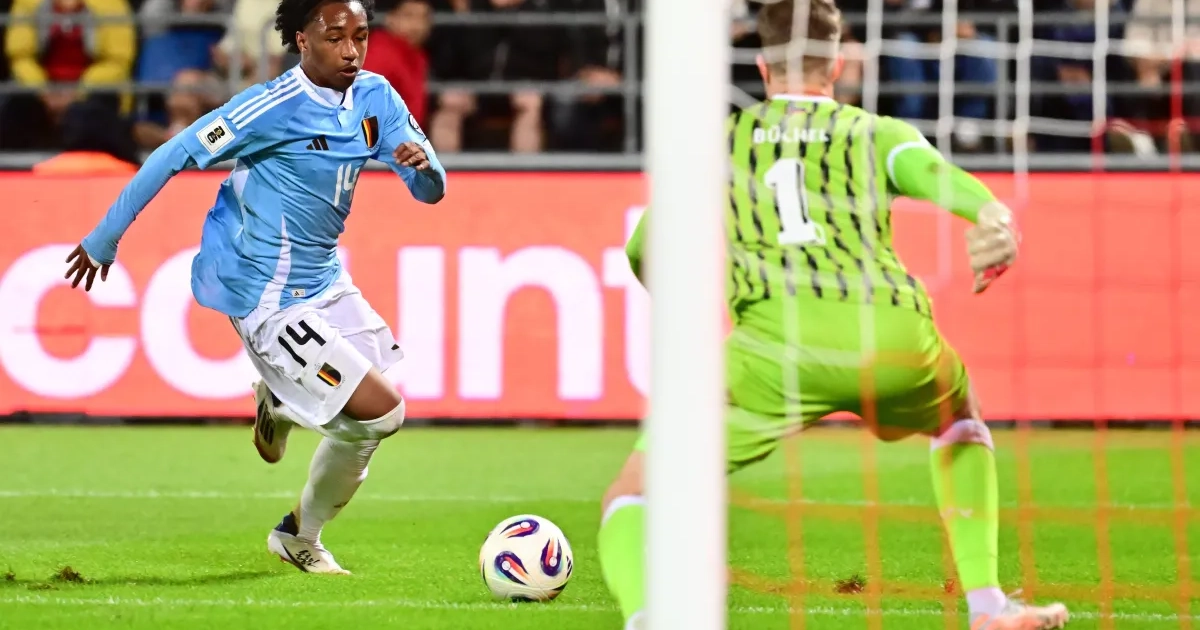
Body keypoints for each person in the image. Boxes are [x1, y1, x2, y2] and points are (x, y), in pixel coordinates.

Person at [596, 1, 1070, 629]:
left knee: (633, 491)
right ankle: (987, 607)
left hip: (774, 349)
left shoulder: (720, 144)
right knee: (961, 423)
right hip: (892, 337)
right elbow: (937, 175)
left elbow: (642, 247)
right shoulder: (875, 133)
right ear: (839, 64)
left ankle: (647, 620)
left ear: (762, 67)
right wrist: (991, 214)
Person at [63, 0, 446, 575]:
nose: (351, 50)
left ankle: (297, 523)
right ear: (302, 41)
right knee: (383, 413)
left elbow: (429, 192)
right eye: (335, 37)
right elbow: (173, 154)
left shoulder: (376, 97)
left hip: (325, 282)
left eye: (361, 36)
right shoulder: (269, 106)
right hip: (264, 293)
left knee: (367, 426)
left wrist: (425, 168)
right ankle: (287, 424)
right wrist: (104, 237)